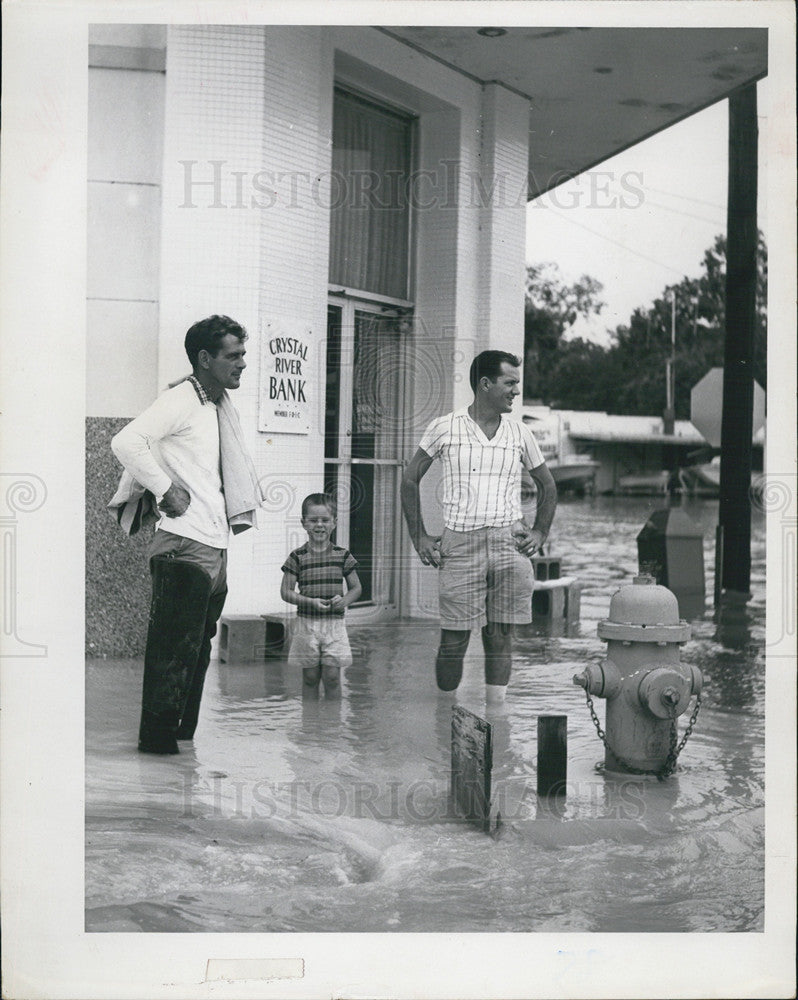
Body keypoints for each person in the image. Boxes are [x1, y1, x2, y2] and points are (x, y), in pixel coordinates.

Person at [109, 314, 262, 754]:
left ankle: (178, 760)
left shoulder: (213, 404)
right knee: (173, 656)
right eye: (233, 356)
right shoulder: (181, 399)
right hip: (182, 545)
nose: (242, 364)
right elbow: (125, 441)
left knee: (196, 654)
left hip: (213, 547)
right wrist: (164, 488)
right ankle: (158, 766)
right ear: (204, 358)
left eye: (243, 355)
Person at [401, 349, 557, 705]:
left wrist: (539, 532)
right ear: (485, 384)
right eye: (510, 382)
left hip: (508, 543)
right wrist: (420, 537)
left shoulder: (520, 433)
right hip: (460, 544)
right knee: (453, 642)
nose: (516, 391)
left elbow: (548, 485)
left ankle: (497, 718)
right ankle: (445, 716)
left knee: (500, 637)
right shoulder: (445, 427)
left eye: (517, 383)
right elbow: (409, 480)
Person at [280, 493, 362, 697]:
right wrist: (310, 602)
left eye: (325, 520)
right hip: (307, 624)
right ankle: (310, 727)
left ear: (334, 523)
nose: (319, 525)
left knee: (332, 677)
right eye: (313, 520)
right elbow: (285, 592)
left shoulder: (343, 555)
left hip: (334, 625)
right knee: (309, 678)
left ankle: (332, 727)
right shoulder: (297, 557)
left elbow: (356, 588)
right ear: (303, 523)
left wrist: (343, 601)